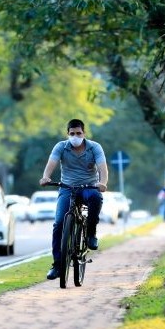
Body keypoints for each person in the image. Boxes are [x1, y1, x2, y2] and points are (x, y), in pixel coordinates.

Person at [39, 118, 108, 281]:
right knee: (59, 223)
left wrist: (103, 183)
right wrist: (45, 177)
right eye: (72, 133)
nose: (75, 136)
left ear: (84, 133)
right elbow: (52, 163)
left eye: (78, 133)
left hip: (88, 188)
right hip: (67, 188)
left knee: (96, 198)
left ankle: (91, 234)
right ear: (67, 134)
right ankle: (57, 265)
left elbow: (102, 168)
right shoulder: (61, 147)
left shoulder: (94, 147)